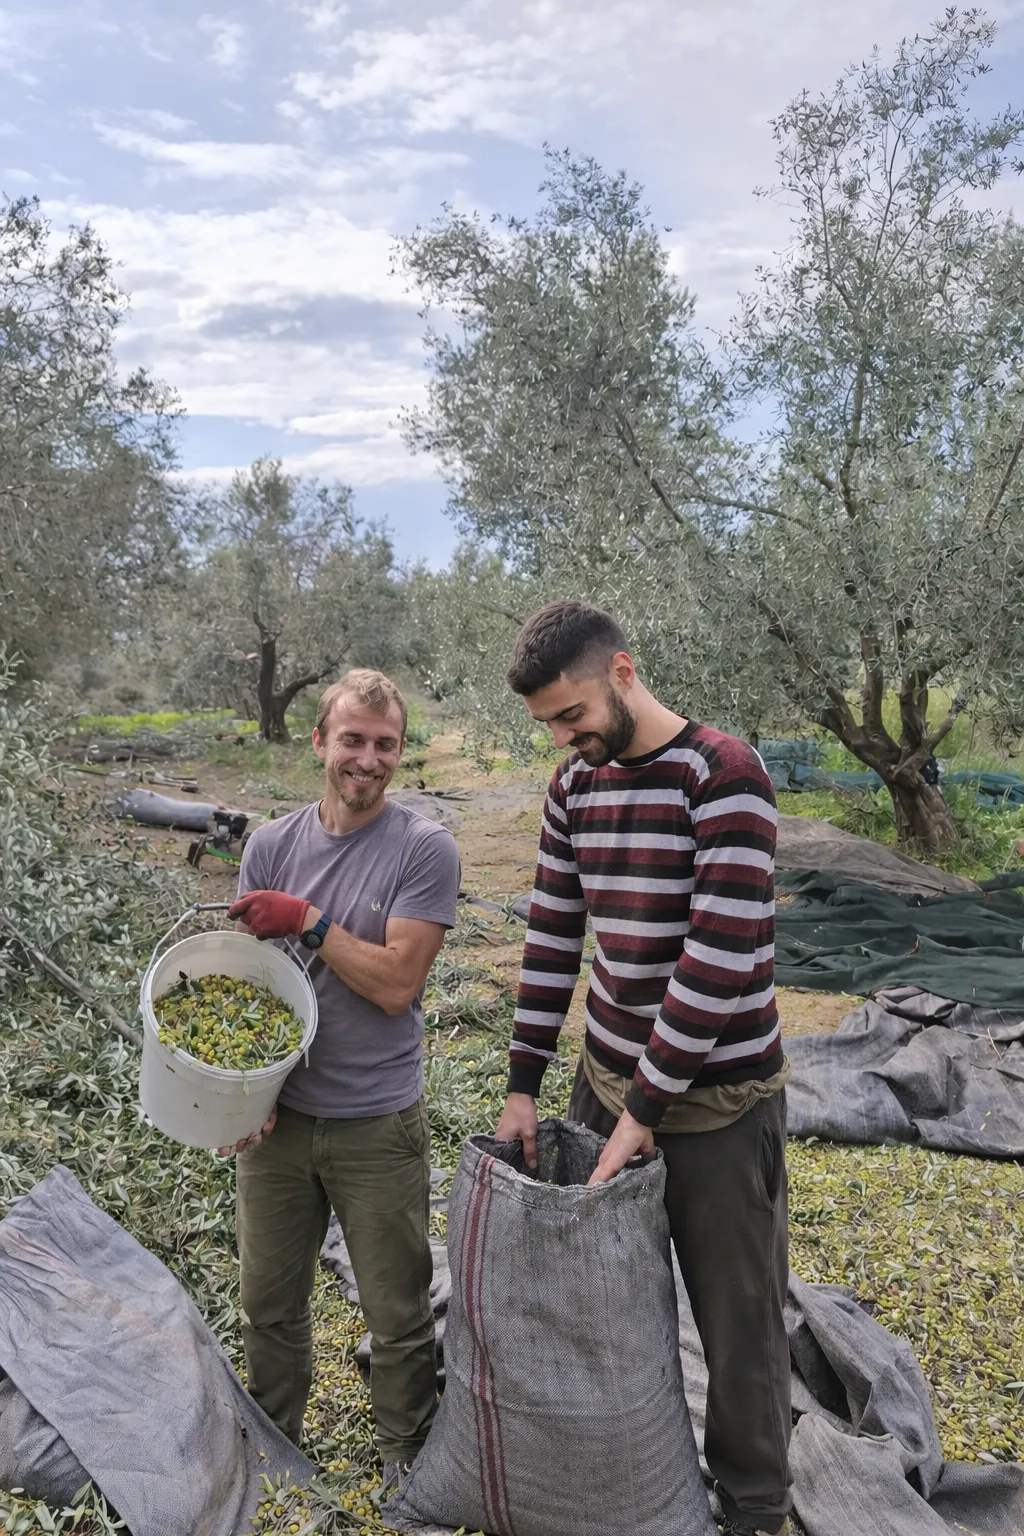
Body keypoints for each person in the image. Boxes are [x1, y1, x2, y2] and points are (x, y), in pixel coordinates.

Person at [495, 602, 793, 1536]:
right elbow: (552, 936)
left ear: (622, 672)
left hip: (717, 1106)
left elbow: (718, 956)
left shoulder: (724, 775)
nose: (562, 735)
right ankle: (628, 1482)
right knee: (606, 1304)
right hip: (608, 1084)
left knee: (737, 1323)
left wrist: (648, 1109)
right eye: (546, 721)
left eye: (570, 712)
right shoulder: (573, 786)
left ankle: (753, 1506)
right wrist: (522, 1082)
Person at [223, 668, 460, 1493]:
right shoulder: (269, 847)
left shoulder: (424, 850)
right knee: (267, 1304)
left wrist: (309, 921)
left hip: (375, 1123)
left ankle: (404, 1459)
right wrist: (244, 1097)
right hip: (280, 1124)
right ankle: (275, 1443)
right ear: (320, 741)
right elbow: (245, 993)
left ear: (401, 752)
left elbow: (398, 984)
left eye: (385, 744)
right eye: (352, 739)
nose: (368, 759)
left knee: (396, 1313)